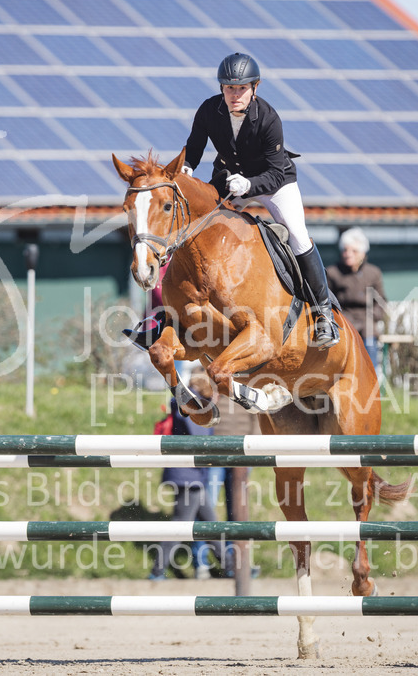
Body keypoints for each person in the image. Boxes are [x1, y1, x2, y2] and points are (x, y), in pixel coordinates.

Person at [181, 52, 340, 349]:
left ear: (255, 87)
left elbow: (276, 173)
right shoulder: (208, 110)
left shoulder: (268, 118)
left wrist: (250, 185)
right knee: (198, 226)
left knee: (298, 235)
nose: (235, 94)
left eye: (241, 88)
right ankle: (171, 313)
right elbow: (194, 146)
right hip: (232, 181)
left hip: (274, 183)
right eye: (229, 87)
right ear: (221, 88)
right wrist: (187, 167)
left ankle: (324, 314)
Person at [149, 378, 230, 580]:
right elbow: (202, 440)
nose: (219, 397)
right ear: (207, 391)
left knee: (210, 524)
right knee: (181, 524)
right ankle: (157, 571)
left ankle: (231, 566)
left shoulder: (187, 405)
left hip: (191, 475)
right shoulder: (196, 408)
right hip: (188, 476)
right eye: (216, 393)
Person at [326, 228, 386, 366]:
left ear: (363, 253)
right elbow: (326, 301)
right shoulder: (333, 273)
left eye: (354, 251)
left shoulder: (373, 273)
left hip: (367, 323)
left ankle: (371, 374)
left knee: (369, 360)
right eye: (345, 250)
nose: (348, 254)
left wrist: (372, 317)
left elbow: (381, 302)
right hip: (344, 322)